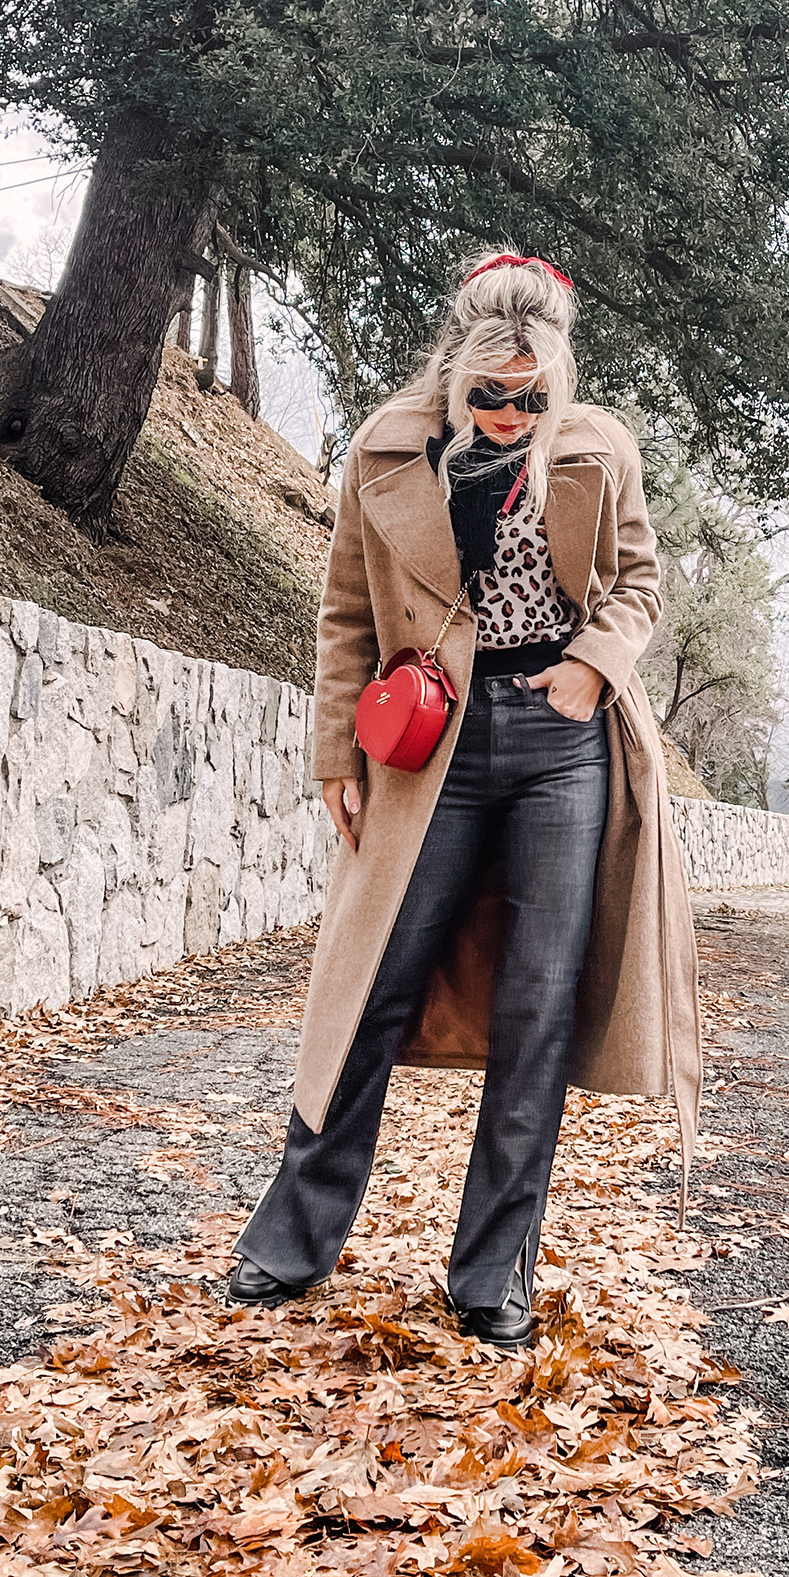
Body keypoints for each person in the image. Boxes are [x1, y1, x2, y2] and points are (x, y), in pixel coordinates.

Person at [228, 251, 700, 1346]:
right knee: (371, 988)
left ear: (558, 384)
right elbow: (346, 608)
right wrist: (333, 757)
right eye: (486, 394)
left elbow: (638, 580)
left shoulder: (595, 450)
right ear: (453, 377)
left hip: (560, 740)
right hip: (425, 740)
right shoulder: (389, 448)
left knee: (539, 1006)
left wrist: (591, 666)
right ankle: (292, 1244)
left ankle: (491, 1275)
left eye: (528, 397)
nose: (505, 413)